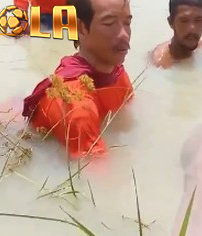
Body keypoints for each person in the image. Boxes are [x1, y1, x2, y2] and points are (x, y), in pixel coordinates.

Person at [21, 0, 134, 159]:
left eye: (127, 23)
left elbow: (127, 114)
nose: (124, 34)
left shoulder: (116, 71)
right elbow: (98, 177)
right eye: (109, 24)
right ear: (81, 27)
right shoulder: (75, 106)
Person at [150, 0, 202, 69]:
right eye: (184, 21)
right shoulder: (161, 64)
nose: (192, 28)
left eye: (198, 20)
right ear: (171, 22)